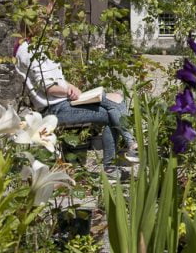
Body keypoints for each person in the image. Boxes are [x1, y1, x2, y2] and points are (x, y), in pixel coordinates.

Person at [14, 37, 137, 180]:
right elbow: (48, 87)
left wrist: (70, 86)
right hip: (54, 109)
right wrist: (68, 92)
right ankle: (125, 151)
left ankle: (128, 147)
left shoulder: (41, 45)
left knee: (116, 99)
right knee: (112, 111)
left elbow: (55, 79)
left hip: (64, 102)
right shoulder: (29, 50)